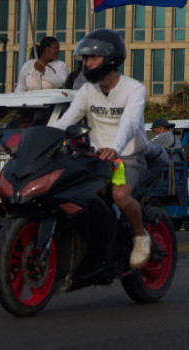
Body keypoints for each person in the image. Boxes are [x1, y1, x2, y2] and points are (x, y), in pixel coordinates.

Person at [53, 29, 152, 269]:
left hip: (127, 157)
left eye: (92, 58)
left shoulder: (134, 89)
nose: (87, 63)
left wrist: (115, 148)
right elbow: (66, 120)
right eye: (85, 59)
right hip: (95, 159)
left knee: (120, 195)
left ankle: (140, 237)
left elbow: (129, 123)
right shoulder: (88, 91)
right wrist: (46, 140)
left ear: (111, 59)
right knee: (70, 194)